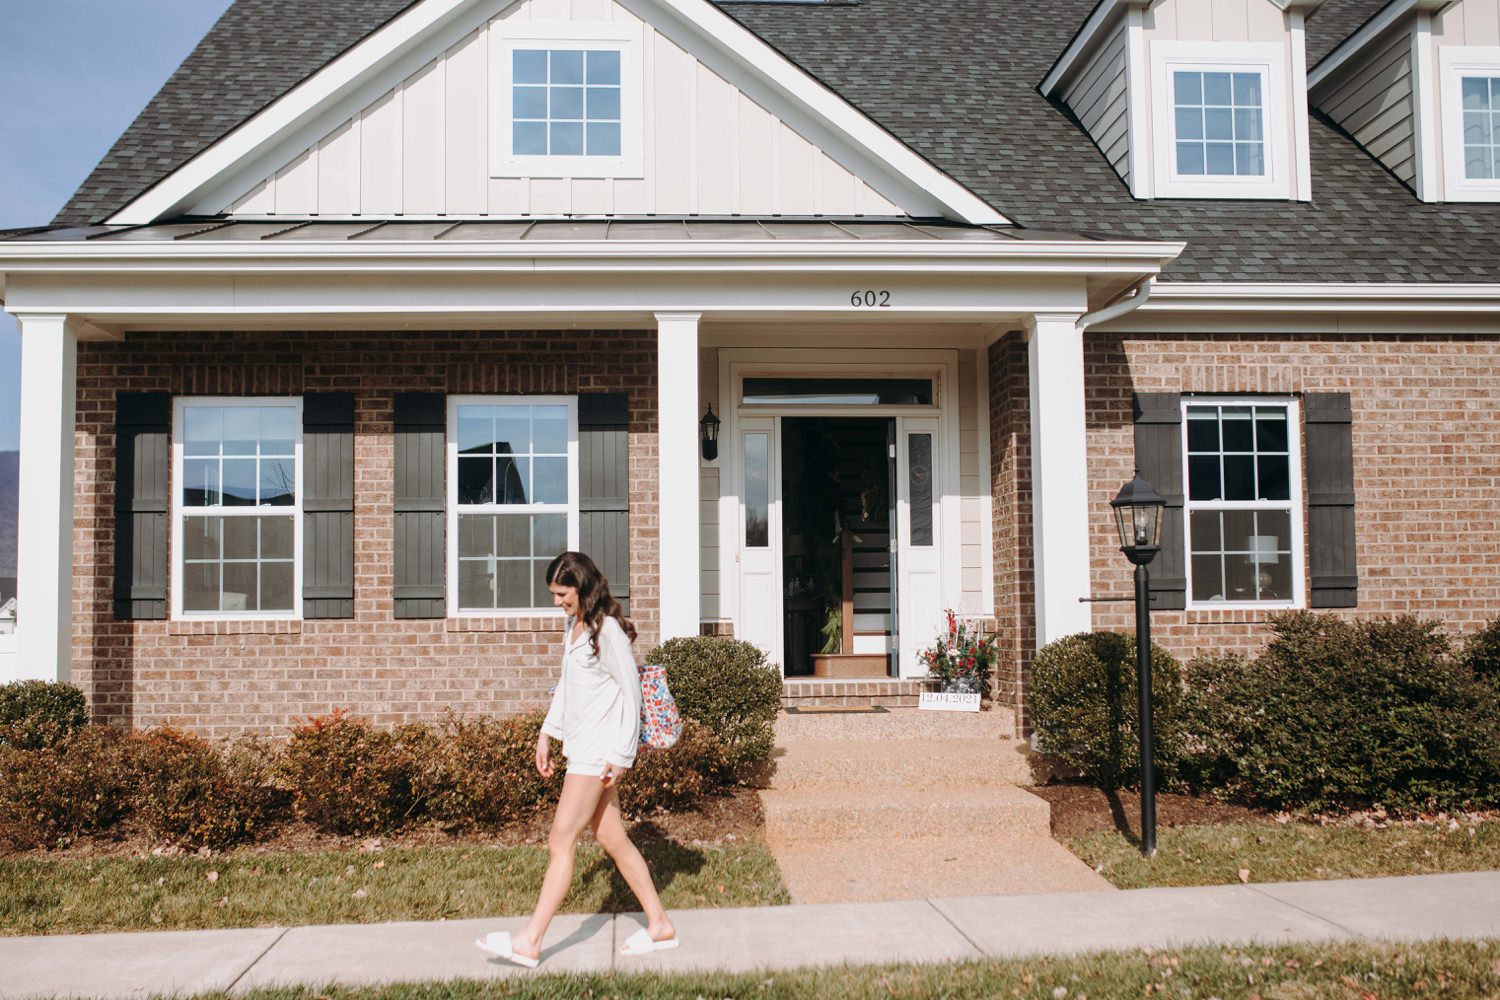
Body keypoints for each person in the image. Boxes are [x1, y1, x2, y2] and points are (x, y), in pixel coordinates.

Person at [475, 551, 679, 967]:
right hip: (582, 748)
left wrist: (621, 755)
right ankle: (659, 925)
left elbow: (632, 695)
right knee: (611, 837)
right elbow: (567, 687)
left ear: (582, 587)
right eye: (553, 594)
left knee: (560, 841)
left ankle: (530, 941)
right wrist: (547, 732)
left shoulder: (608, 633)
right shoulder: (576, 626)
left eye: (561, 593)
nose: (556, 602)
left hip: (597, 756)